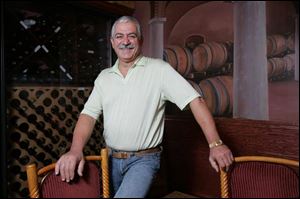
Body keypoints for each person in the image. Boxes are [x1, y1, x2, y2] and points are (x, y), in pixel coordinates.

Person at [55, 16, 234, 198]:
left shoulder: (159, 69)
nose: (125, 41)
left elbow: (196, 101)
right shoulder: (104, 77)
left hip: (144, 160)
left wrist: (216, 144)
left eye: (131, 36)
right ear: (112, 41)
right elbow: (88, 115)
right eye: (119, 36)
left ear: (140, 40)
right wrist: (75, 150)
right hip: (109, 160)